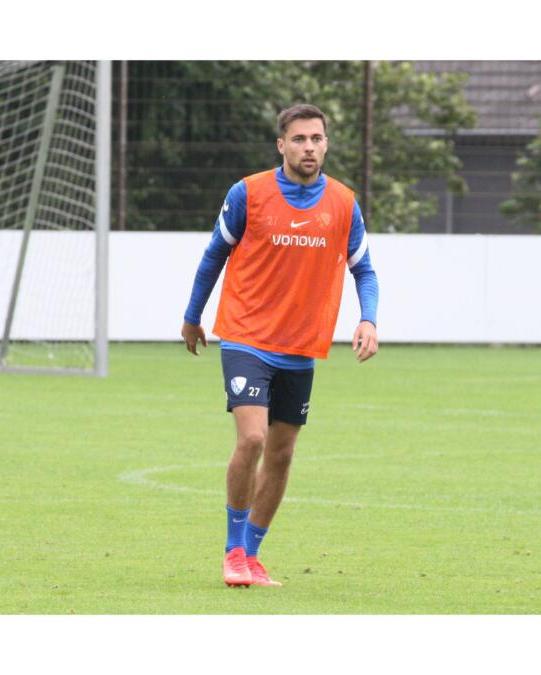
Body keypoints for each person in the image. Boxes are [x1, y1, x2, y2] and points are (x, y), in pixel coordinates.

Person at [181, 104, 380, 587]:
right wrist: (192, 316)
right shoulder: (248, 193)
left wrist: (368, 319)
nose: (308, 147)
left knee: (283, 453)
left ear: (326, 144)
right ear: (281, 145)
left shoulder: (343, 203)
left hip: (300, 344)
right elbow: (214, 256)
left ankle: (251, 554)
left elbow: (364, 270)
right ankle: (232, 551)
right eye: (298, 139)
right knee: (252, 438)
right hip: (246, 335)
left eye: (316, 139)